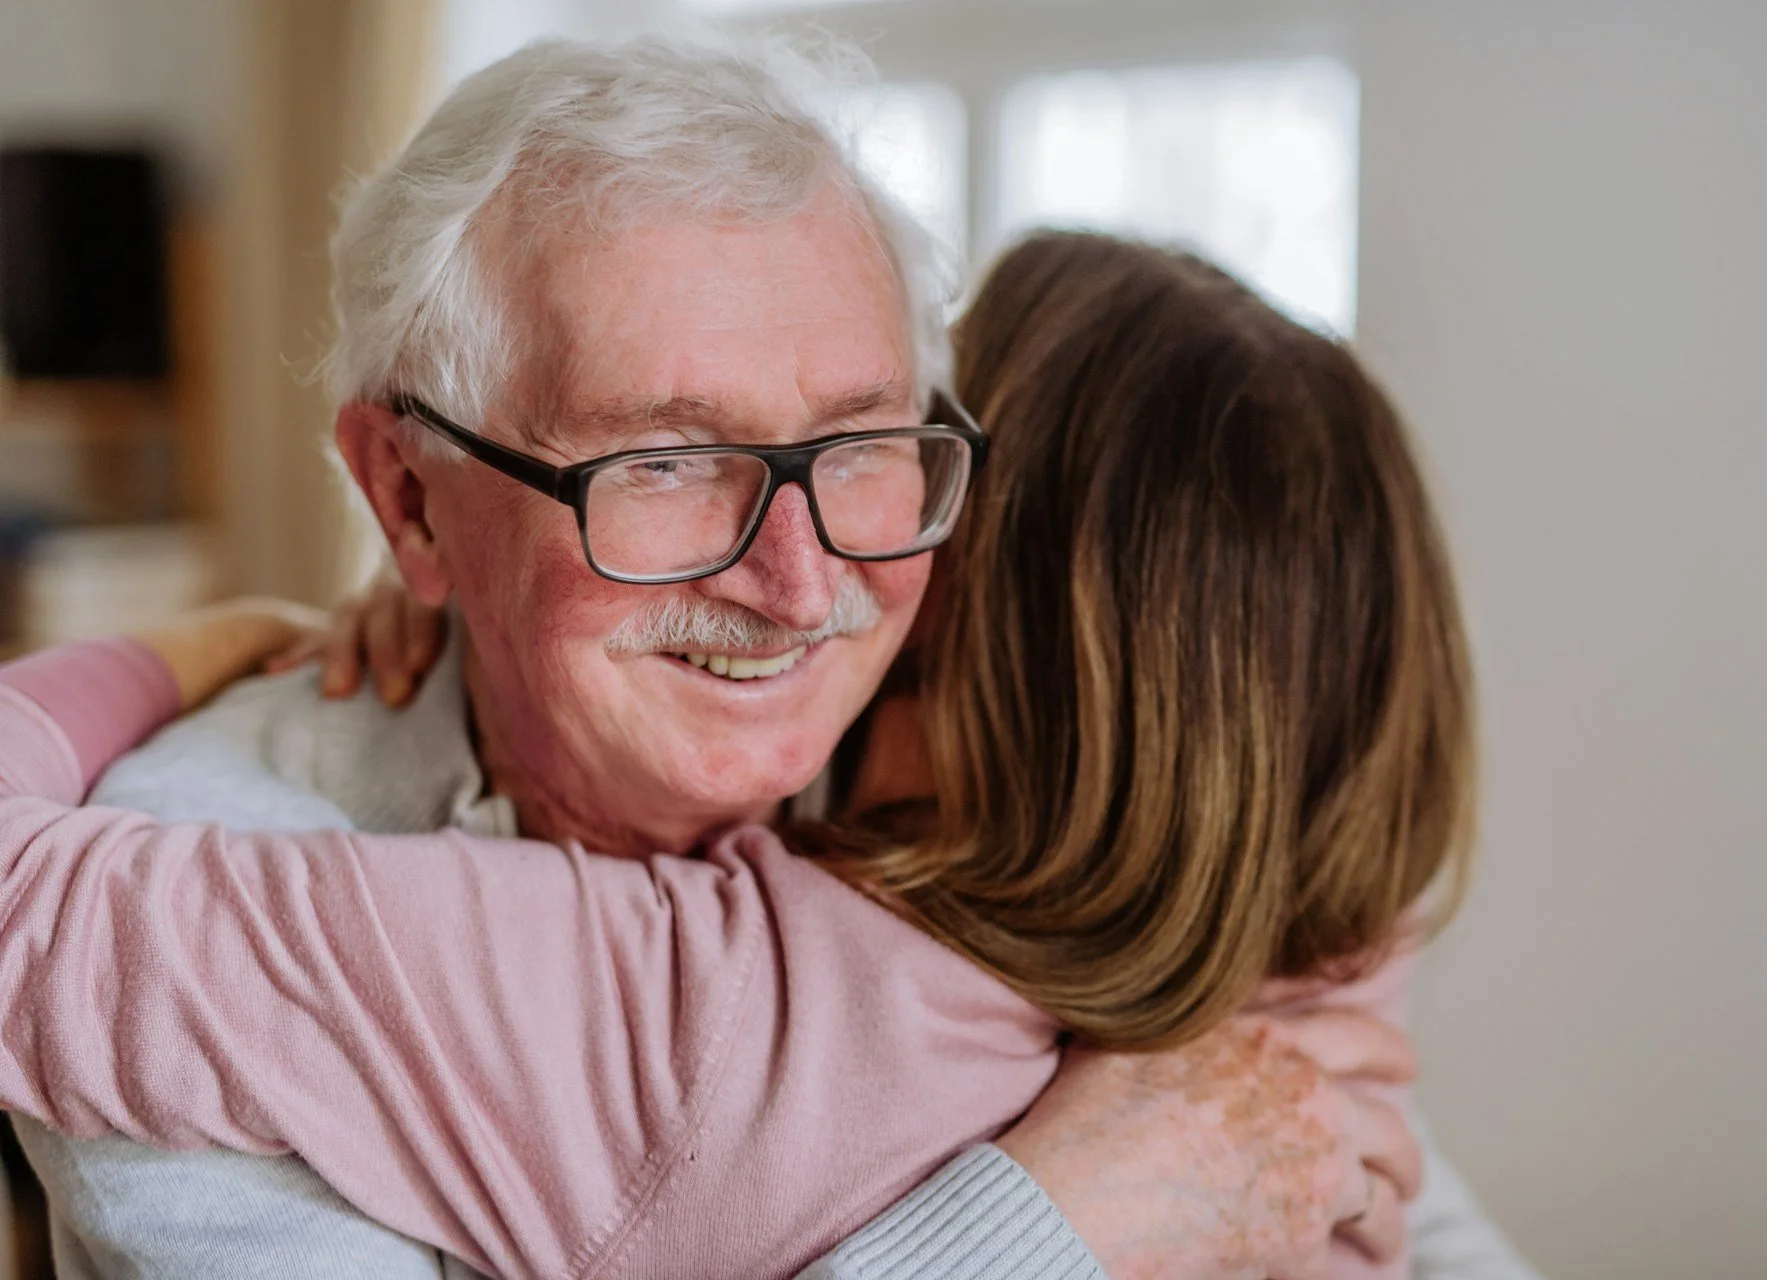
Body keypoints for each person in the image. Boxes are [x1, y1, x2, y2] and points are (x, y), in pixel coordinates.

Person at [5, 36, 1538, 1280]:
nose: (799, 584)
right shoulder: (224, 852)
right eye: (664, 466)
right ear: (410, 494)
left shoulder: (968, 870)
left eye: (864, 448)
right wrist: (1049, 1223)